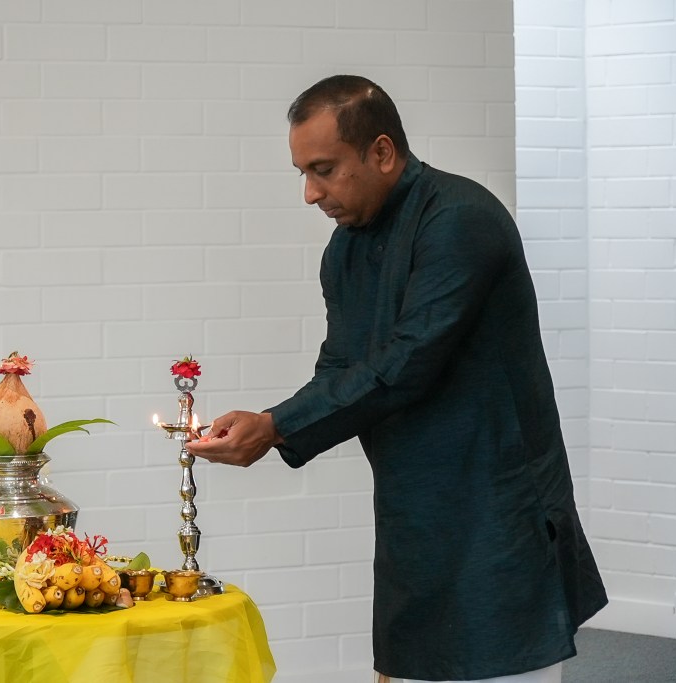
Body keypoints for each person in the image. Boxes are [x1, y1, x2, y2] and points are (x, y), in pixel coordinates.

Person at [185, 75, 608, 683]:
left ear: (381, 152)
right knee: (413, 664)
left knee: (502, 661)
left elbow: (408, 363)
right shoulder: (345, 248)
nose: (310, 193)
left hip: (496, 500)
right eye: (303, 173)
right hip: (412, 499)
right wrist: (271, 424)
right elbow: (341, 368)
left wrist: (277, 427)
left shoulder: (460, 218)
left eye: (324, 170)